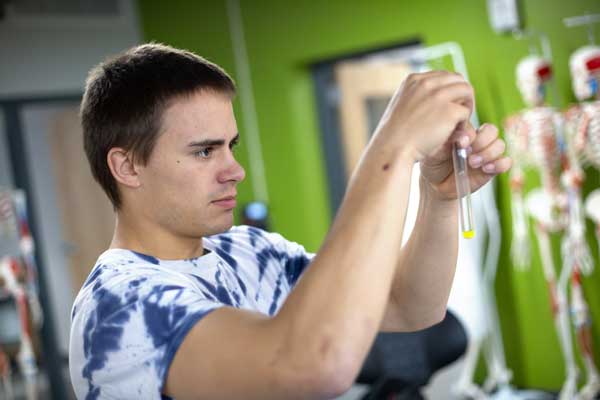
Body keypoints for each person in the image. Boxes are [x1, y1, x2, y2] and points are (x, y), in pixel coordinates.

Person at [68, 43, 511, 400]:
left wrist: (440, 198)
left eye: (230, 146)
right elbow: (311, 365)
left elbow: (407, 306)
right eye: (204, 151)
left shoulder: (249, 251)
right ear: (127, 168)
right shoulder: (120, 304)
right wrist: (393, 145)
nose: (234, 170)